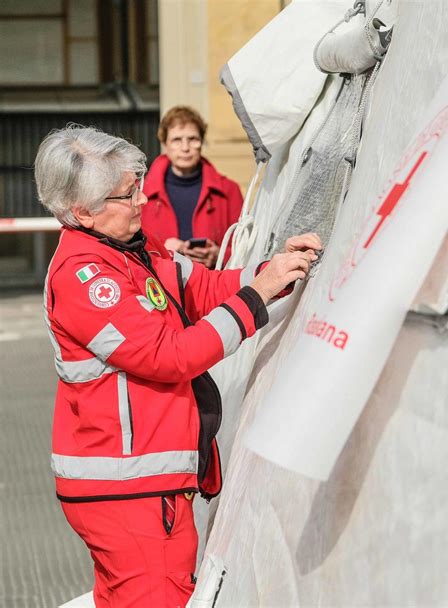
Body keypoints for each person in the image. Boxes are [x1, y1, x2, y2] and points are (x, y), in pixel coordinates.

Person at [35, 125, 321, 608]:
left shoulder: (129, 250)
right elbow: (170, 356)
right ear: (82, 211)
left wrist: (274, 270)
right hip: (129, 490)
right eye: (127, 194)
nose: (143, 200)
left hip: (139, 485)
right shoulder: (86, 277)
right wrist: (260, 294)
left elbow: (206, 289)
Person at [141, 105, 244, 268]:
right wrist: (162, 249)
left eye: (192, 139)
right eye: (176, 140)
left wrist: (220, 255)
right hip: (158, 286)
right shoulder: (140, 192)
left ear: (201, 142)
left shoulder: (228, 190)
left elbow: (245, 248)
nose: (185, 148)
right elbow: (125, 247)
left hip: (213, 284)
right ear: (165, 144)